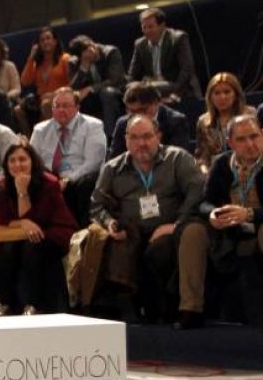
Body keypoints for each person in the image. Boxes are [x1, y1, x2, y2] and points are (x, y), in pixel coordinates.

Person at [90, 114, 206, 328]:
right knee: (113, 243)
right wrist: (109, 223)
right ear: (126, 140)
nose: (141, 143)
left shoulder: (177, 159)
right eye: (134, 137)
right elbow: (96, 205)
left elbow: (197, 192)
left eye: (147, 136)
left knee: (159, 251)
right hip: (132, 230)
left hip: (171, 230)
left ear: (158, 136)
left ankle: (167, 310)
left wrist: (177, 223)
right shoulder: (112, 168)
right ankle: (123, 311)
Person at [0, 142, 77, 315]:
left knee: (31, 246)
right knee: (7, 250)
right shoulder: (1, 186)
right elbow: (4, 220)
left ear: (33, 161)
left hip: (54, 231)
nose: (17, 165)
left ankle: (34, 304)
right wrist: (23, 223)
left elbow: (39, 221)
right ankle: (7, 304)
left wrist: (22, 192)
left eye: (23, 159)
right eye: (12, 160)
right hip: (22, 232)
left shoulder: (50, 184)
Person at [199, 115, 263, 324]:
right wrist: (212, 214)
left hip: (258, 224)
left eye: (254, 136)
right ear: (231, 143)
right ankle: (190, 308)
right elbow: (205, 202)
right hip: (230, 229)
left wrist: (250, 214)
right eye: (242, 139)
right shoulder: (222, 163)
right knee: (192, 232)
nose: (250, 144)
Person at [30, 88, 106, 226]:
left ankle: (78, 229)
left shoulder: (92, 126)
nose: (60, 110)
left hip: (77, 177)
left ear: (77, 107)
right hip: (49, 176)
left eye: (65, 106)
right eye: (57, 106)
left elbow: (93, 162)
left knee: (85, 183)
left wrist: (68, 180)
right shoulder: (40, 130)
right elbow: (32, 161)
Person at [127, 7, 201, 101]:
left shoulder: (178, 38)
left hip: (178, 86)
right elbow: (132, 75)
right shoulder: (140, 44)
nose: (147, 31)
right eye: (144, 27)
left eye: (150, 27)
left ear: (162, 25)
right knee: (132, 88)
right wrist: (131, 86)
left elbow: (186, 70)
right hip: (153, 85)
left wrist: (175, 94)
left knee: (148, 89)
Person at [109, 82, 190, 159]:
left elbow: (177, 158)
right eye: (132, 111)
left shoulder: (176, 122)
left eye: (142, 109)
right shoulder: (123, 123)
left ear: (156, 103)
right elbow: (114, 160)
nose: (137, 115)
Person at [67, 34, 126, 136]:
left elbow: (114, 80)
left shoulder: (110, 52)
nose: (91, 50)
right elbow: (74, 87)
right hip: (94, 96)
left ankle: (110, 136)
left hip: (116, 90)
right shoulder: (74, 62)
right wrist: (84, 67)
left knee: (106, 93)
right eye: (86, 50)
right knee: (74, 98)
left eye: (91, 45)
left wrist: (90, 88)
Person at [195, 72, 252, 173]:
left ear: (236, 94)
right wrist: (205, 172)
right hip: (216, 173)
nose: (222, 97)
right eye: (217, 93)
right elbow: (202, 156)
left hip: (247, 169)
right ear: (210, 97)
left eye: (227, 92)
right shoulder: (203, 121)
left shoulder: (250, 116)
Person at [19, 26, 71, 126]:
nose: (45, 42)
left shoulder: (65, 59)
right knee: (18, 110)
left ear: (55, 41)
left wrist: (54, 94)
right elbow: (25, 81)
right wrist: (31, 58)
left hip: (61, 96)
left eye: (48, 38)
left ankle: (53, 137)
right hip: (41, 99)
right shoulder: (37, 63)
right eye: (42, 40)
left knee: (46, 104)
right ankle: (31, 140)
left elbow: (73, 84)